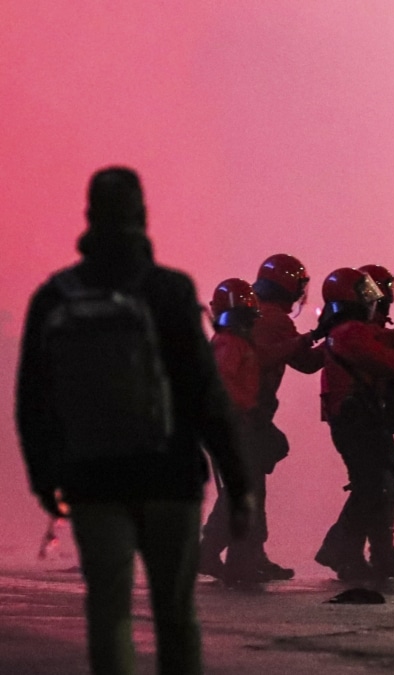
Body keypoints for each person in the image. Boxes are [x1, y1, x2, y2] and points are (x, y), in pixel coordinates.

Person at [15, 166, 251, 675]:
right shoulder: (169, 290)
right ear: (142, 216)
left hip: (93, 478)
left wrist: (46, 481)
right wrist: (238, 481)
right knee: (175, 615)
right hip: (171, 477)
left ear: (89, 217)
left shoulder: (54, 297)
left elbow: (32, 402)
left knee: (109, 611)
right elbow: (205, 394)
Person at [199, 254, 322, 581]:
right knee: (247, 487)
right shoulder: (273, 320)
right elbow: (296, 361)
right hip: (245, 416)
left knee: (248, 486)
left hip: (238, 416)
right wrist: (322, 338)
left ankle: (241, 554)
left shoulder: (244, 325)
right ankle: (225, 553)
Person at [313, 267, 394, 581]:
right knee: (371, 487)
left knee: (378, 485)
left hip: (363, 417)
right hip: (358, 420)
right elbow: (388, 358)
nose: (375, 300)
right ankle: (344, 550)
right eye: (366, 294)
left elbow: (390, 341)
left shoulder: (350, 329)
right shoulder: (350, 332)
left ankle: (368, 554)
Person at [199, 279, 273, 586]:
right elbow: (223, 383)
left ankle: (237, 559)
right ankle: (223, 556)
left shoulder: (232, 342)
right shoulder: (230, 344)